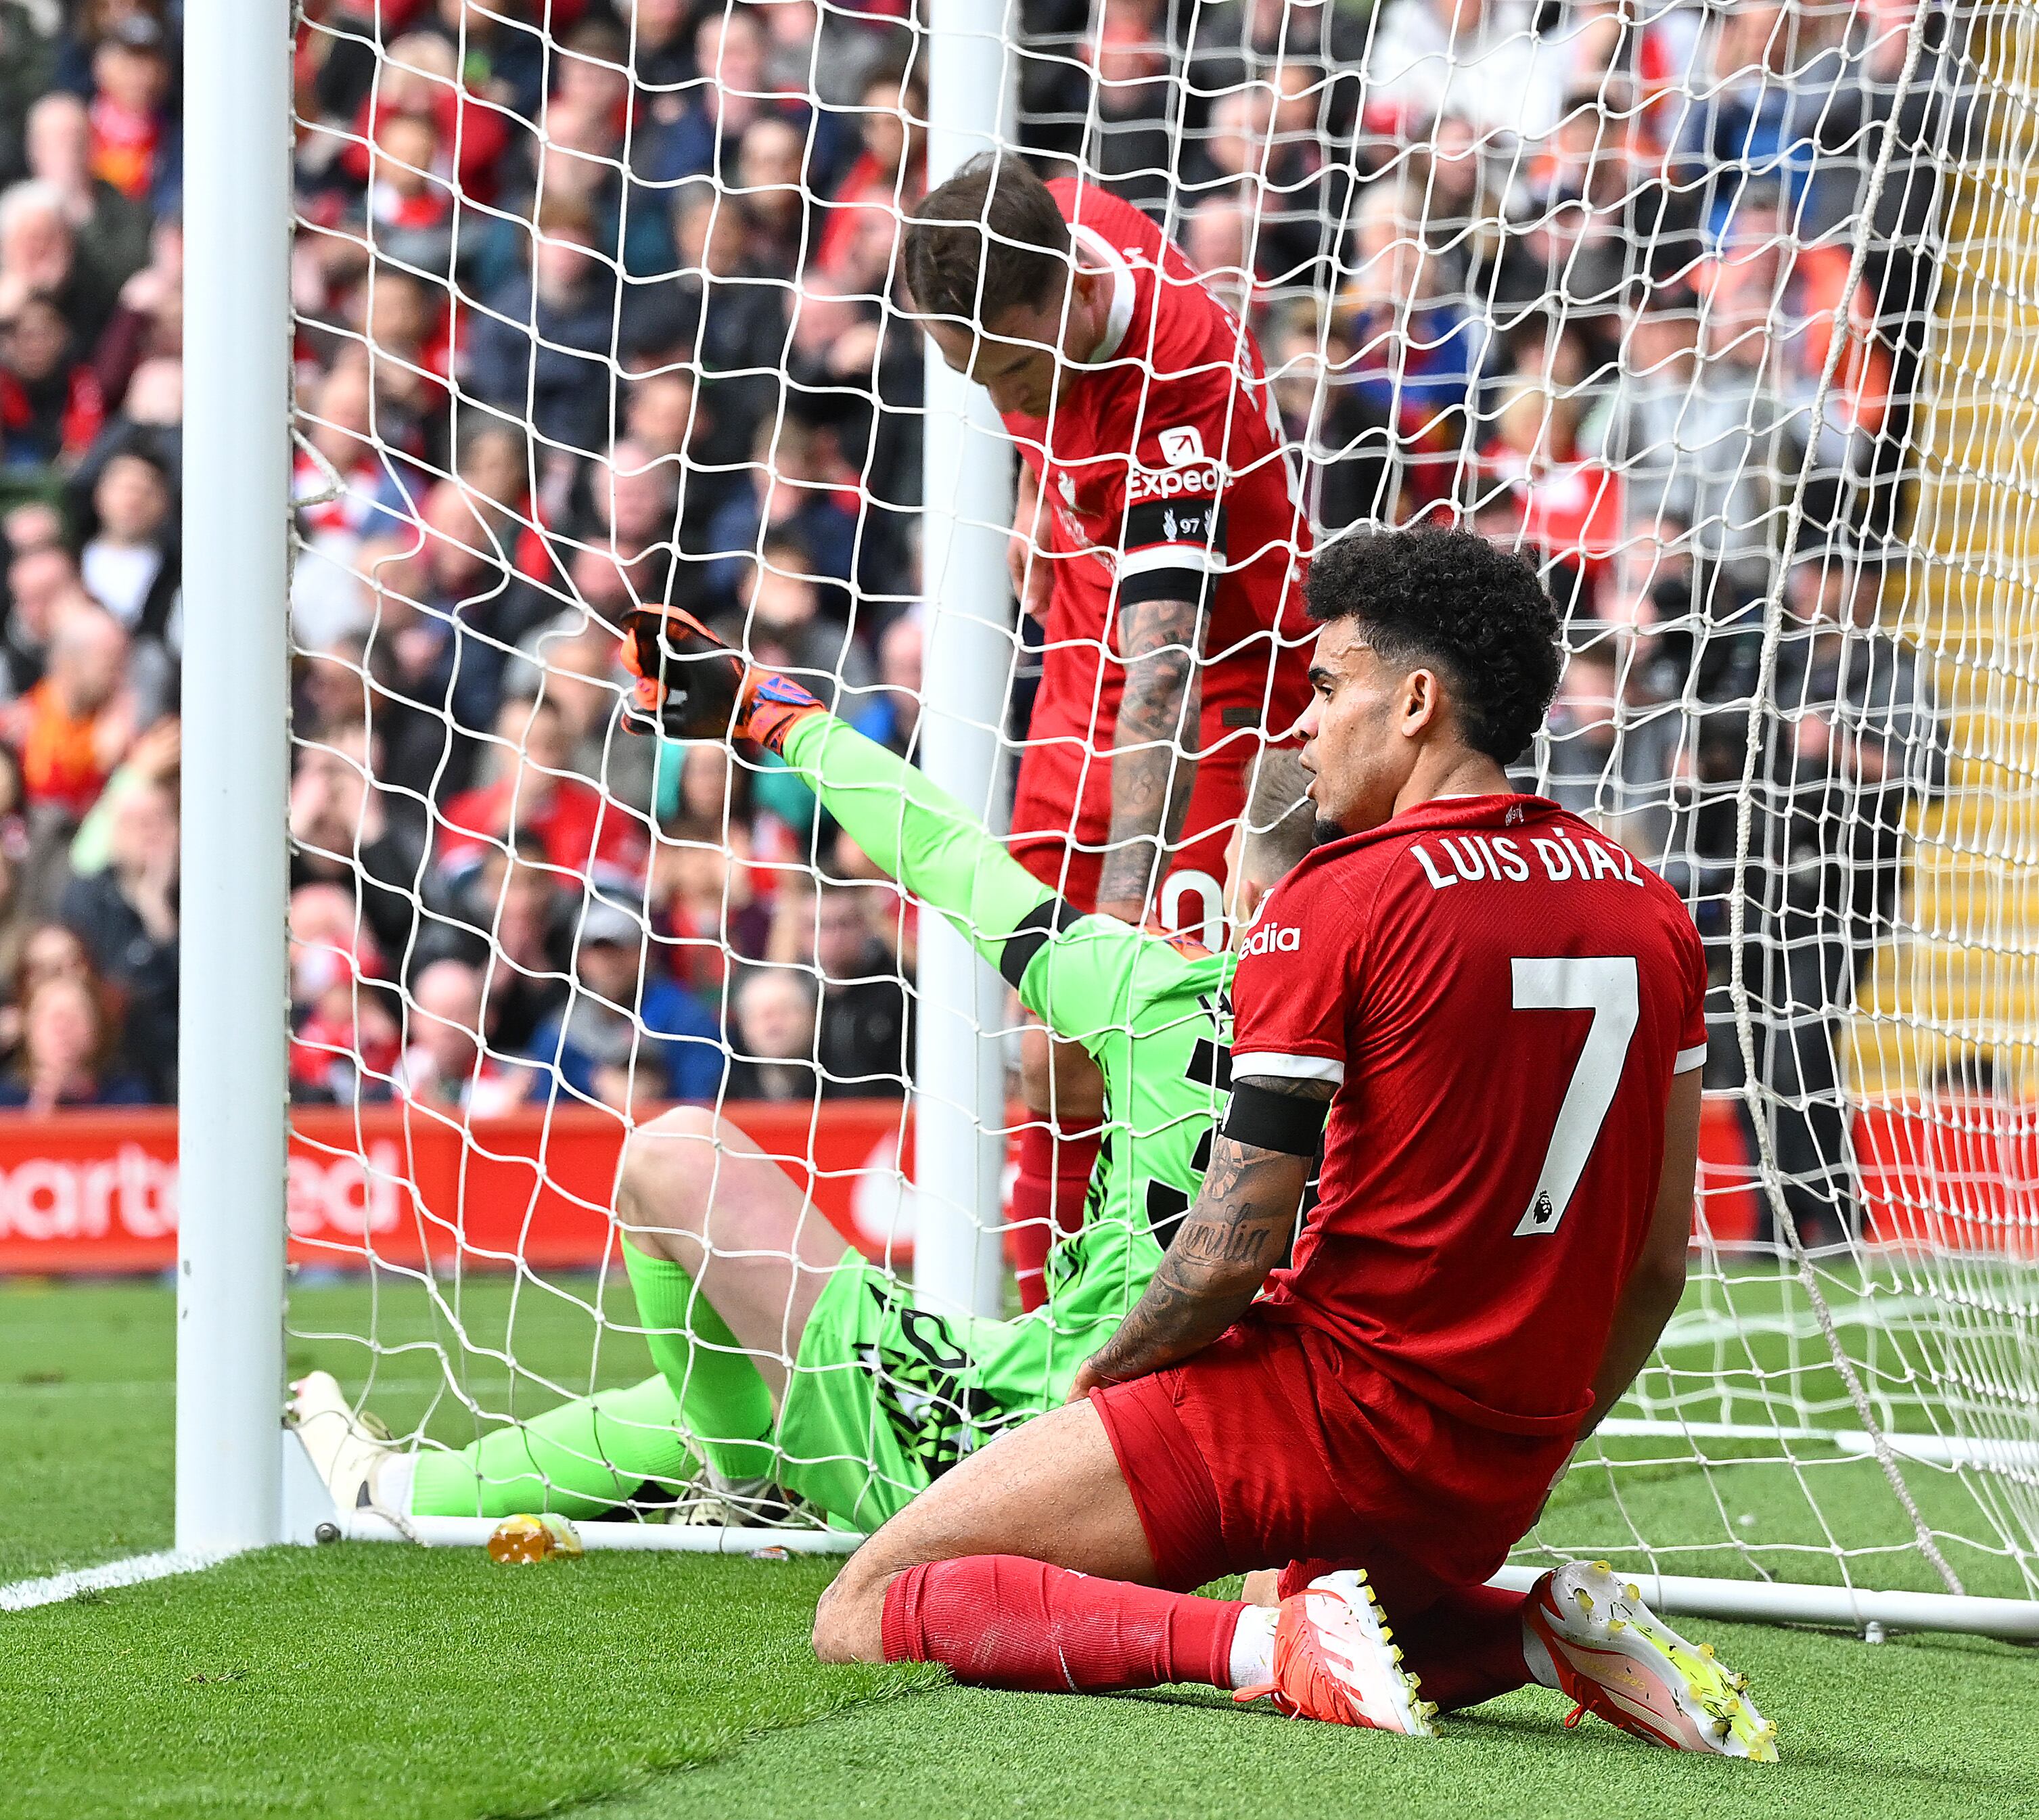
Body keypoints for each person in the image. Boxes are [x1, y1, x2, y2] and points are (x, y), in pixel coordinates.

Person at [803, 527, 1777, 1760]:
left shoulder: (1341, 894)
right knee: (1329, 1599)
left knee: (868, 1599)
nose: (1302, 725)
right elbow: (1657, 1267)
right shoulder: (1649, 910)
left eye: (1325, 686)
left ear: (1416, 701)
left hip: (1324, 1410)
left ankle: (1264, 1652)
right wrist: (1533, 1434)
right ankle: (1538, 1630)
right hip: (1506, 1450)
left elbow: (1229, 1250)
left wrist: (1115, 1374)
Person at [291, 606, 1316, 1537]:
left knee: (669, 1153)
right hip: (1244, 1460)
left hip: (1015, 1448)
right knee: (742, 1372)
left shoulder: (1155, 990)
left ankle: (733, 1480)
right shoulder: (1421, 1031)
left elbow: (944, 854)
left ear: (1235, 883)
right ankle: (418, 1490)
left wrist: (776, 716)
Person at [903, 151, 1312, 1309]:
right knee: (1048, 1046)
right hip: (1089, 642)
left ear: (1078, 300)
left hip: (1229, 693)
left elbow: (1165, 677)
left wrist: (1121, 915)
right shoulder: (1021, 229)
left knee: (1178, 1044)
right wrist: (1049, 500)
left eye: (1012, 367)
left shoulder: (1176, 380)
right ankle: (1042, 1336)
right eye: (966, 367)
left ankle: (1228, 1326)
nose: (999, 394)